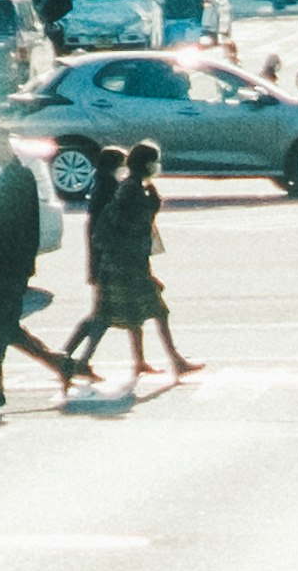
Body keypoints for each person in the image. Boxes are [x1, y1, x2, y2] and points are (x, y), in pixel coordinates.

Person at [59, 140, 198, 391]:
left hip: (126, 263)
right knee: (150, 312)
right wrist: (152, 206)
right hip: (123, 265)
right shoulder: (129, 191)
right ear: (146, 164)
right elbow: (119, 228)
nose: (157, 166)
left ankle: (127, 361)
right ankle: (174, 361)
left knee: (123, 316)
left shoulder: (135, 189)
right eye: (153, 161)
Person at [0, 135, 69, 414]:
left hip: (9, 263)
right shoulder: (13, 174)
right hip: (8, 262)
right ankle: (58, 365)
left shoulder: (18, 176)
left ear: (3, 146)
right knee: (6, 327)